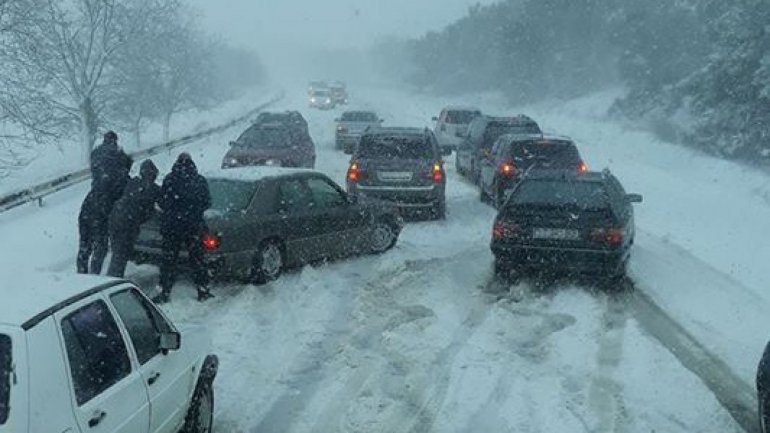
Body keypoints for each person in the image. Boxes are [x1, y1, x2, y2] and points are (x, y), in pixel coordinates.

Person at [155, 153, 212, 303]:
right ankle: (202, 289)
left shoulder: (169, 180)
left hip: (172, 226)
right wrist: (193, 211)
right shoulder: (199, 181)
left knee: (168, 259)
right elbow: (207, 202)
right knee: (197, 259)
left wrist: (173, 211)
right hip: (193, 226)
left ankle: (164, 290)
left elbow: (161, 201)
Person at [77, 131, 132, 274]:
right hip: (104, 207)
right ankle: (93, 278)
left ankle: (81, 274)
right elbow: (124, 176)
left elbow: (97, 172)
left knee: (84, 245)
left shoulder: (96, 154)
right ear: (115, 141)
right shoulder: (120, 158)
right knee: (100, 246)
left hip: (89, 202)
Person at [106, 159, 161, 278]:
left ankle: (112, 277)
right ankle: (113, 280)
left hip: (115, 219)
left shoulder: (132, 183)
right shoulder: (154, 189)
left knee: (118, 254)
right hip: (127, 223)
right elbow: (162, 206)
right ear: (153, 175)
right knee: (121, 254)